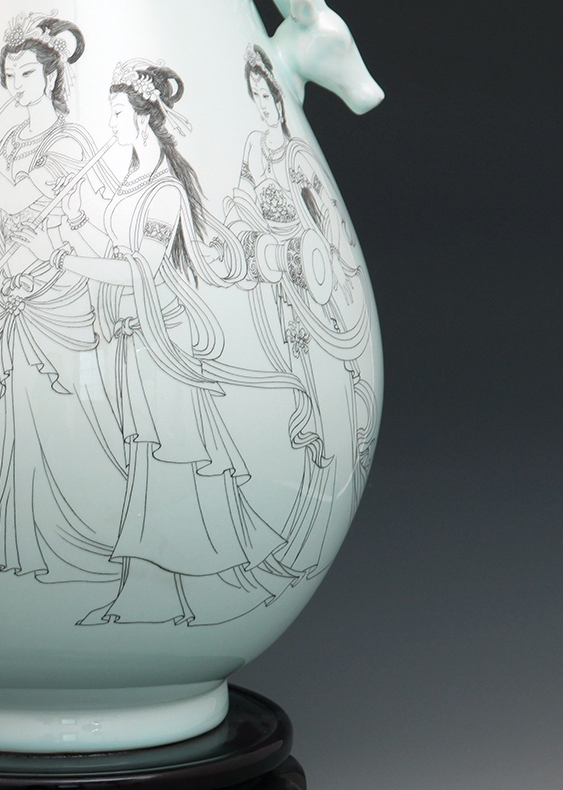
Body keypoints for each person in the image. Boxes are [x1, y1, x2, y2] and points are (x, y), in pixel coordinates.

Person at [58, 61, 307, 625]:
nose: (111, 124)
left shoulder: (166, 190)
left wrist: (71, 260)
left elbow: (141, 269)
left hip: (162, 340)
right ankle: (152, 594)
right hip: (133, 338)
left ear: (145, 117)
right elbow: (118, 247)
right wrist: (74, 228)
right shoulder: (132, 181)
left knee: (172, 460)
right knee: (151, 461)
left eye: (117, 113)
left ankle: (170, 595)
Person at [0, 13, 125, 584]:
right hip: (16, 296)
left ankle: (96, 534)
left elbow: (16, 199)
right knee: (19, 415)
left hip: (60, 292)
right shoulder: (10, 141)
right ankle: (24, 533)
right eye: (9, 75)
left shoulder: (69, 141)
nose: (17, 85)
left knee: (65, 414)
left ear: (51, 77)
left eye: (26, 73)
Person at [230, 45, 376, 573]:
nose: (263, 104)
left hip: (314, 288)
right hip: (281, 293)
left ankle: (309, 540)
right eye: (254, 95)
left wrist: (323, 267)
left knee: (329, 399)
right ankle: (301, 536)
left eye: (267, 94)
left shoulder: (296, 155)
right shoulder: (253, 147)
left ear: (279, 94)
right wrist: (253, 237)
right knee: (305, 393)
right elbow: (240, 200)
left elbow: (327, 221)